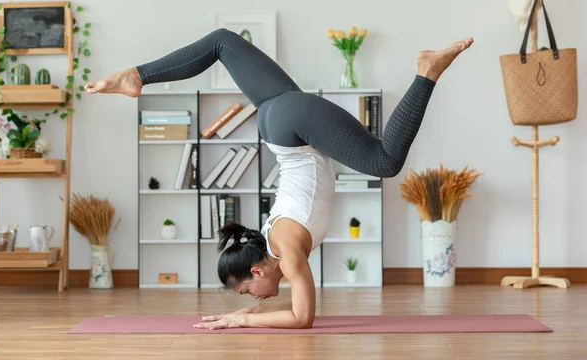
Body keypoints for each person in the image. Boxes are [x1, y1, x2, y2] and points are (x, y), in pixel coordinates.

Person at [86, 28, 473, 330]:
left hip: (292, 129)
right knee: (223, 43)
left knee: (385, 162)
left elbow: (302, 317)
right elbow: (298, 314)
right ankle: (135, 75)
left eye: (247, 292)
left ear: (258, 271)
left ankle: (428, 70)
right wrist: (243, 316)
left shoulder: (287, 249)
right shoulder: (276, 241)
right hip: (276, 119)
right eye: (247, 298)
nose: (254, 299)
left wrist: (243, 321)